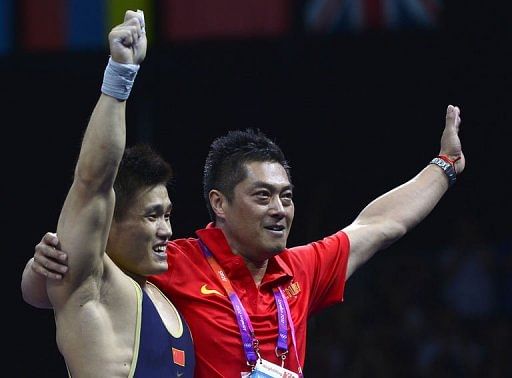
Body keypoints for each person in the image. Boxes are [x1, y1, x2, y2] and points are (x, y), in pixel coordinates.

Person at [21, 64, 465, 378]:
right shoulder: (171, 262)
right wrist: (38, 269)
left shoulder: (300, 268)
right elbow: (72, 283)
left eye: (287, 197)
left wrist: (444, 167)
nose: (280, 209)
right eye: (263, 196)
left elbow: (380, 226)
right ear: (220, 203)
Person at [21, 9, 195, 377]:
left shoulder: (168, 297)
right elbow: (92, 181)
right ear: (107, 222)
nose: (166, 229)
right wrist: (120, 74)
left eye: (167, 215)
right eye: (152, 216)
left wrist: (33, 280)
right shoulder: (91, 286)